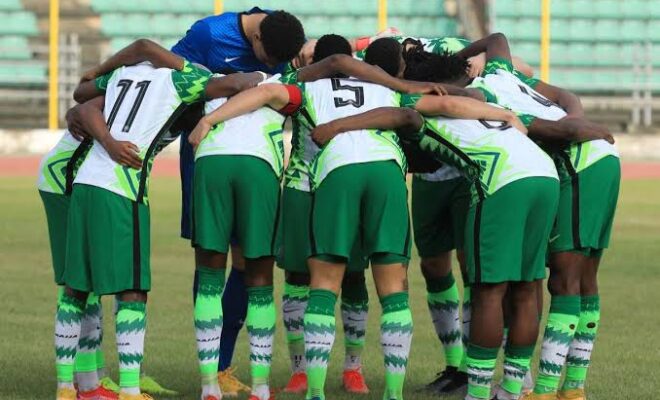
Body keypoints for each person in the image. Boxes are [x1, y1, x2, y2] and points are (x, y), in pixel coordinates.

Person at [187, 48, 524, 400]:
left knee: (322, 283)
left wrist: (209, 121)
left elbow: (267, 91)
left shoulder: (305, 87)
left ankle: (314, 389)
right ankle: (390, 392)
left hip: (332, 173)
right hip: (383, 170)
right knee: (391, 288)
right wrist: (501, 112)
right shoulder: (387, 88)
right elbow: (446, 105)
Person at [56, 41, 273, 400]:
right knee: (133, 290)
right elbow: (235, 83)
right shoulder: (181, 80)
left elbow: (83, 100)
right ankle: (130, 389)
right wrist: (261, 76)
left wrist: (106, 134)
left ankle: (65, 387)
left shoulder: (123, 73)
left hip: (84, 183)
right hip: (122, 188)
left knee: (76, 287)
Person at [454, 33, 620, 400]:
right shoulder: (507, 73)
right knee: (584, 278)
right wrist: (573, 120)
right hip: (600, 159)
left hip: (580, 164)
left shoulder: (482, 97)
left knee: (562, 279)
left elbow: (557, 128)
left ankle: (545, 389)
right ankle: (572, 386)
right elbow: (564, 94)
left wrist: (575, 127)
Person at [171, 8, 305, 395]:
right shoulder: (209, 35)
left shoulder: (282, 35)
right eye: (268, 59)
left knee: (246, 264)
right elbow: (172, 80)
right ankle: (213, 369)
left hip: (255, 154)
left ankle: (221, 367)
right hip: (205, 155)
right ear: (256, 38)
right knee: (212, 257)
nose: (273, 65)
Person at [38, 115, 119, 400]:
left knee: (87, 283)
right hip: (63, 180)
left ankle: (89, 379)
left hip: (82, 182)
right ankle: (81, 386)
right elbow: (82, 100)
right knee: (79, 281)